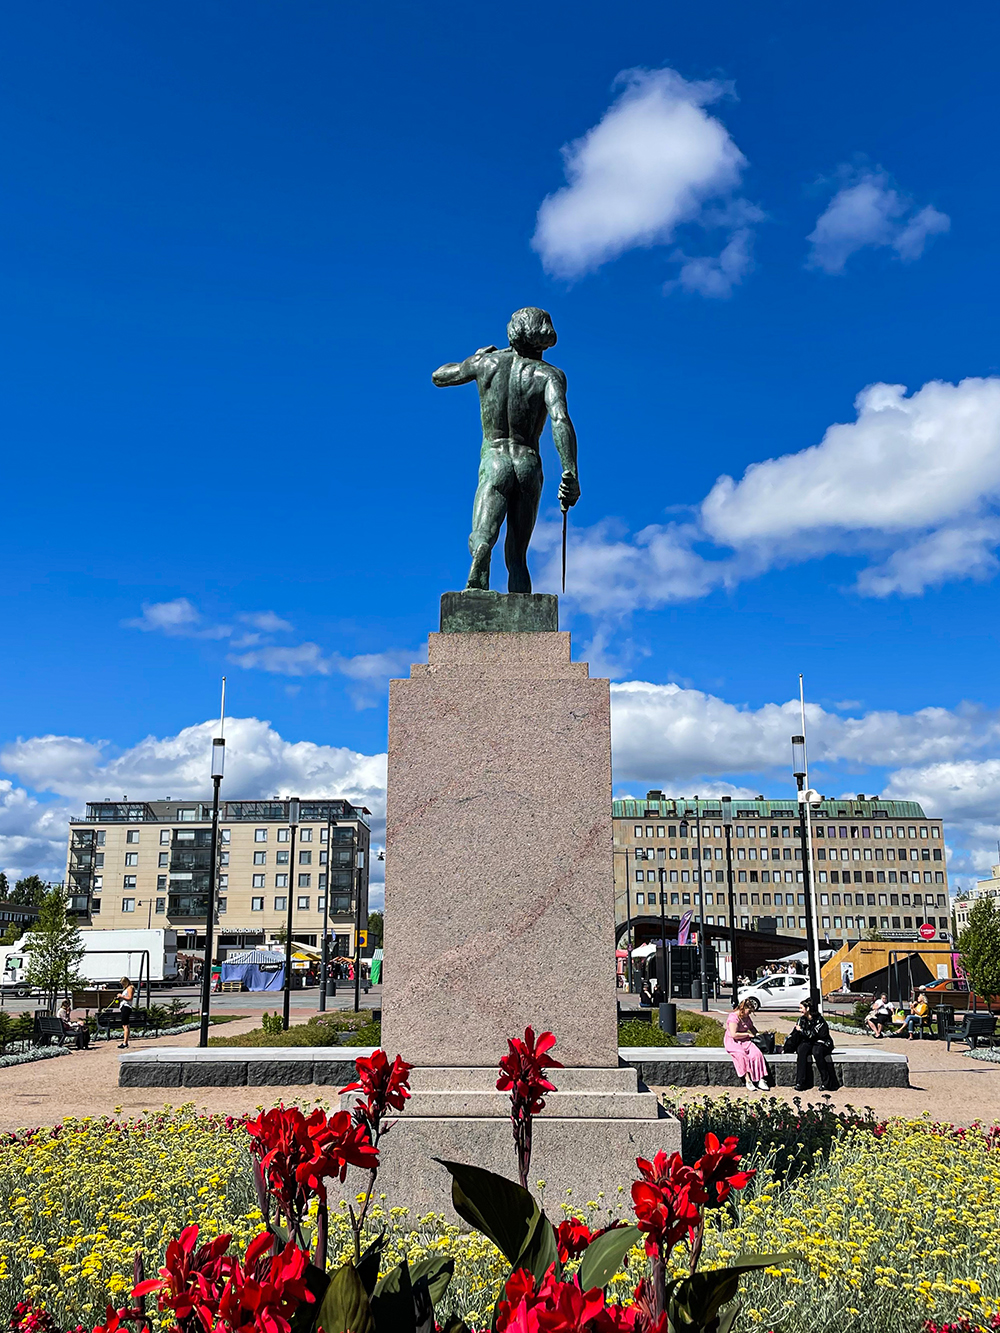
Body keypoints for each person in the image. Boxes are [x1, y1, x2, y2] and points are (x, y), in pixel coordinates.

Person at [432, 307, 581, 593]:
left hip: (495, 459)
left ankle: (481, 556)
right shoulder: (550, 375)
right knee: (517, 556)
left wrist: (475, 358)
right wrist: (570, 470)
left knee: (483, 534)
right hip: (527, 462)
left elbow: (440, 376)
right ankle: (525, 614)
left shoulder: (487, 363)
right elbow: (560, 419)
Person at [785, 998, 838, 1092]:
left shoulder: (819, 1020)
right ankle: (801, 1082)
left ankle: (827, 1083)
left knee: (817, 1052)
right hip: (809, 1042)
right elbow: (794, 1034)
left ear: (808, 1008)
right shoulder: (801, 1020)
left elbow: (813, 1034)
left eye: (801, 1008)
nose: (799, 1010)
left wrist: (801, 1030)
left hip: (822, 1042)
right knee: (801, 1050)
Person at [724, 1000, 770, 1091]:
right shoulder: (734, 1017)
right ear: (743, 1009)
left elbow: (752, 1027)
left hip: (745, 1041)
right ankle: (748, 1080)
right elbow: (734, 1034)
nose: (750, 1014)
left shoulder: (746, 1017)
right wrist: (747, 1035)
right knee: (742, 1056)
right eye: (749, 1011)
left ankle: (760, 1079)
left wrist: (758, 1035)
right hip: (733, 1042)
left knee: (757, 1054)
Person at [115, 976, 135, 1050]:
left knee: (125, 1025)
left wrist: (122, 996)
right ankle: (125, 1042)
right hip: (124, 1006)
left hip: (126, 1007)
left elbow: (130, 998)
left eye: (123, 984)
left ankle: (125, 1042)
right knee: (125, 1025)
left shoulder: (130, 988)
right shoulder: (127, 988)